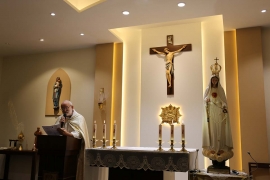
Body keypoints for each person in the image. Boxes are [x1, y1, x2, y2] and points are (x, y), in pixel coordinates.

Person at [55, 100, 90, 180]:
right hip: (61, 150)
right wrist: (60, 124)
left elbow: (80, 134)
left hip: (74, 151)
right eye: (62, 108)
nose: (64, 110)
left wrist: (67, 134)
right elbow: (55, 130)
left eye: (66, 108)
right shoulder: (61, 118)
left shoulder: (79, 118)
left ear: (72, 107)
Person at [202, 75, 233, 163]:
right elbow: (204, 99)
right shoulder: (208, 89)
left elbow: (224, 100)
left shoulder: (221, 90)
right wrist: (206, 100)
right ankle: (213, 147)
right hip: (211, 113)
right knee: (212, 130)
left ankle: (221, 147)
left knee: (220, 129)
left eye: (216, 80)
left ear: (218, 81)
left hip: (219, 112)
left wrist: (223, 104)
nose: (214, 81)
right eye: (213, 80)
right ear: (211, 81)